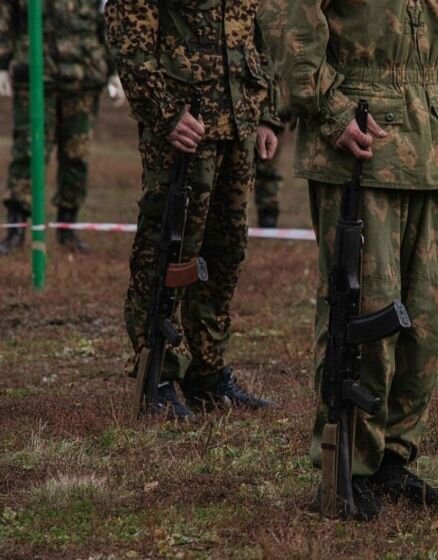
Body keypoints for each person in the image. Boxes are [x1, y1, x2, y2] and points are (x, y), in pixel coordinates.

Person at [262, 0, 438, 519]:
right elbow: (289, 22)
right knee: (362, 311)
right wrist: (332, 111)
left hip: (428, 145)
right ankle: (347, 465)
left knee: (428, 314)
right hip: (359, 142)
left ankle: (393, 458)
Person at [105, 0, 279, 419]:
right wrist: (166, 114)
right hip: (185, 128)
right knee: (167, 251)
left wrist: (267, 114)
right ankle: (157, 374)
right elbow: (129, 38)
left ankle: (207, 374)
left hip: (238, 123)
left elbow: (261, 32)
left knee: (224, 253)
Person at [0, 0, 123, 255]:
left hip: (83, 76)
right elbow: (5, 17)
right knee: (28, 152)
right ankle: (16, 229)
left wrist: (116, 70)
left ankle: (68, 228)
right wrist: (1, 64)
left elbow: (109, 21)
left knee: (76, 156)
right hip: (34, 75)